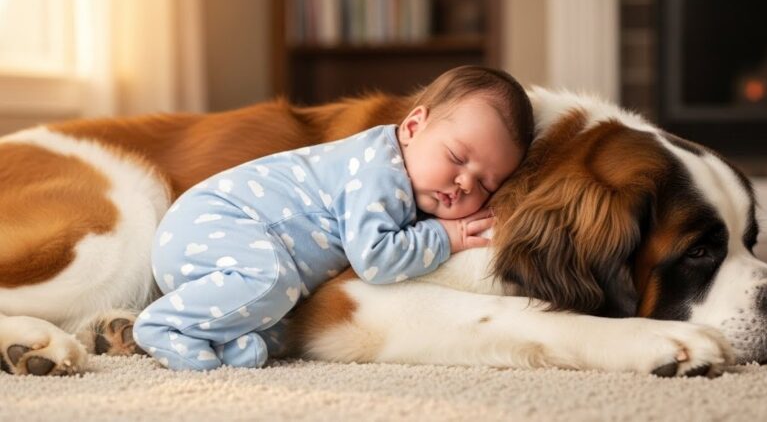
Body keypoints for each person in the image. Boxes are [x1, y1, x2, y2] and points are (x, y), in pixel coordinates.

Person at [133, 66, 535, 370]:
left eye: (486, 183)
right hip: (212, 224)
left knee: (278, 323)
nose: (465, 182)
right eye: (457, 157)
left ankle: (222, 335)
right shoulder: (381, 172)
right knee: (270, 279)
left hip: (212, 244)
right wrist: (445, 237)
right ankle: (163, 325)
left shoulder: (398, 174)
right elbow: (375, 260)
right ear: (413, 127)